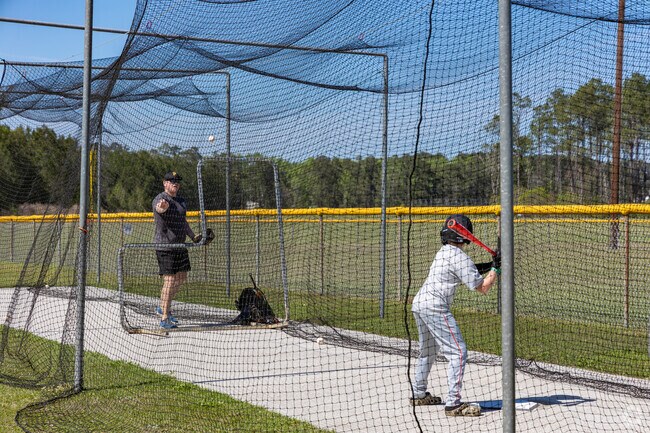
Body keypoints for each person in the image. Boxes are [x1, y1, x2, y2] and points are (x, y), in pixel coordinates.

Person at [410, 214, 501, 417]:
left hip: (419, 304)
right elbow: (482, 287)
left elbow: (468, 272)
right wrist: (496, 268)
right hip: (435, 307)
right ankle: (453, 404)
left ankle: (418, 393)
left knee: (428, 351)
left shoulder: (444, 252)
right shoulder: (461, 258)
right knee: (458, 352)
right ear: (465, 236)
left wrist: (490, 264)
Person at [153, 171, 199, 329]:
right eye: (171, 181)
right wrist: (162, 208)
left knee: (181, 278)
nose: (175, 183)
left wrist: (193, 236)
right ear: (164, 183)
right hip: (165, 246)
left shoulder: (181, 201)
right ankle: (165, 316)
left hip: (180, 245)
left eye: (177, 181)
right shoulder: (161, 198)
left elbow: (183, 221)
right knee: (170, 280)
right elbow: (159, 209)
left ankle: (162, 306)